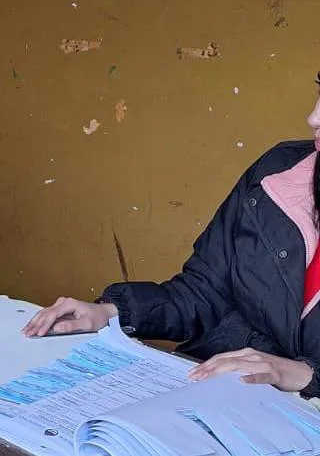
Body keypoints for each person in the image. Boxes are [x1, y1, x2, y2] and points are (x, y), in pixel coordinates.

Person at [24, 79, 320, 398]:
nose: (313, 117)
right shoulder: (277, 173)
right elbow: (204, 291)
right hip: (216, 398)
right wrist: (115, 312)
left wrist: (302, 375)